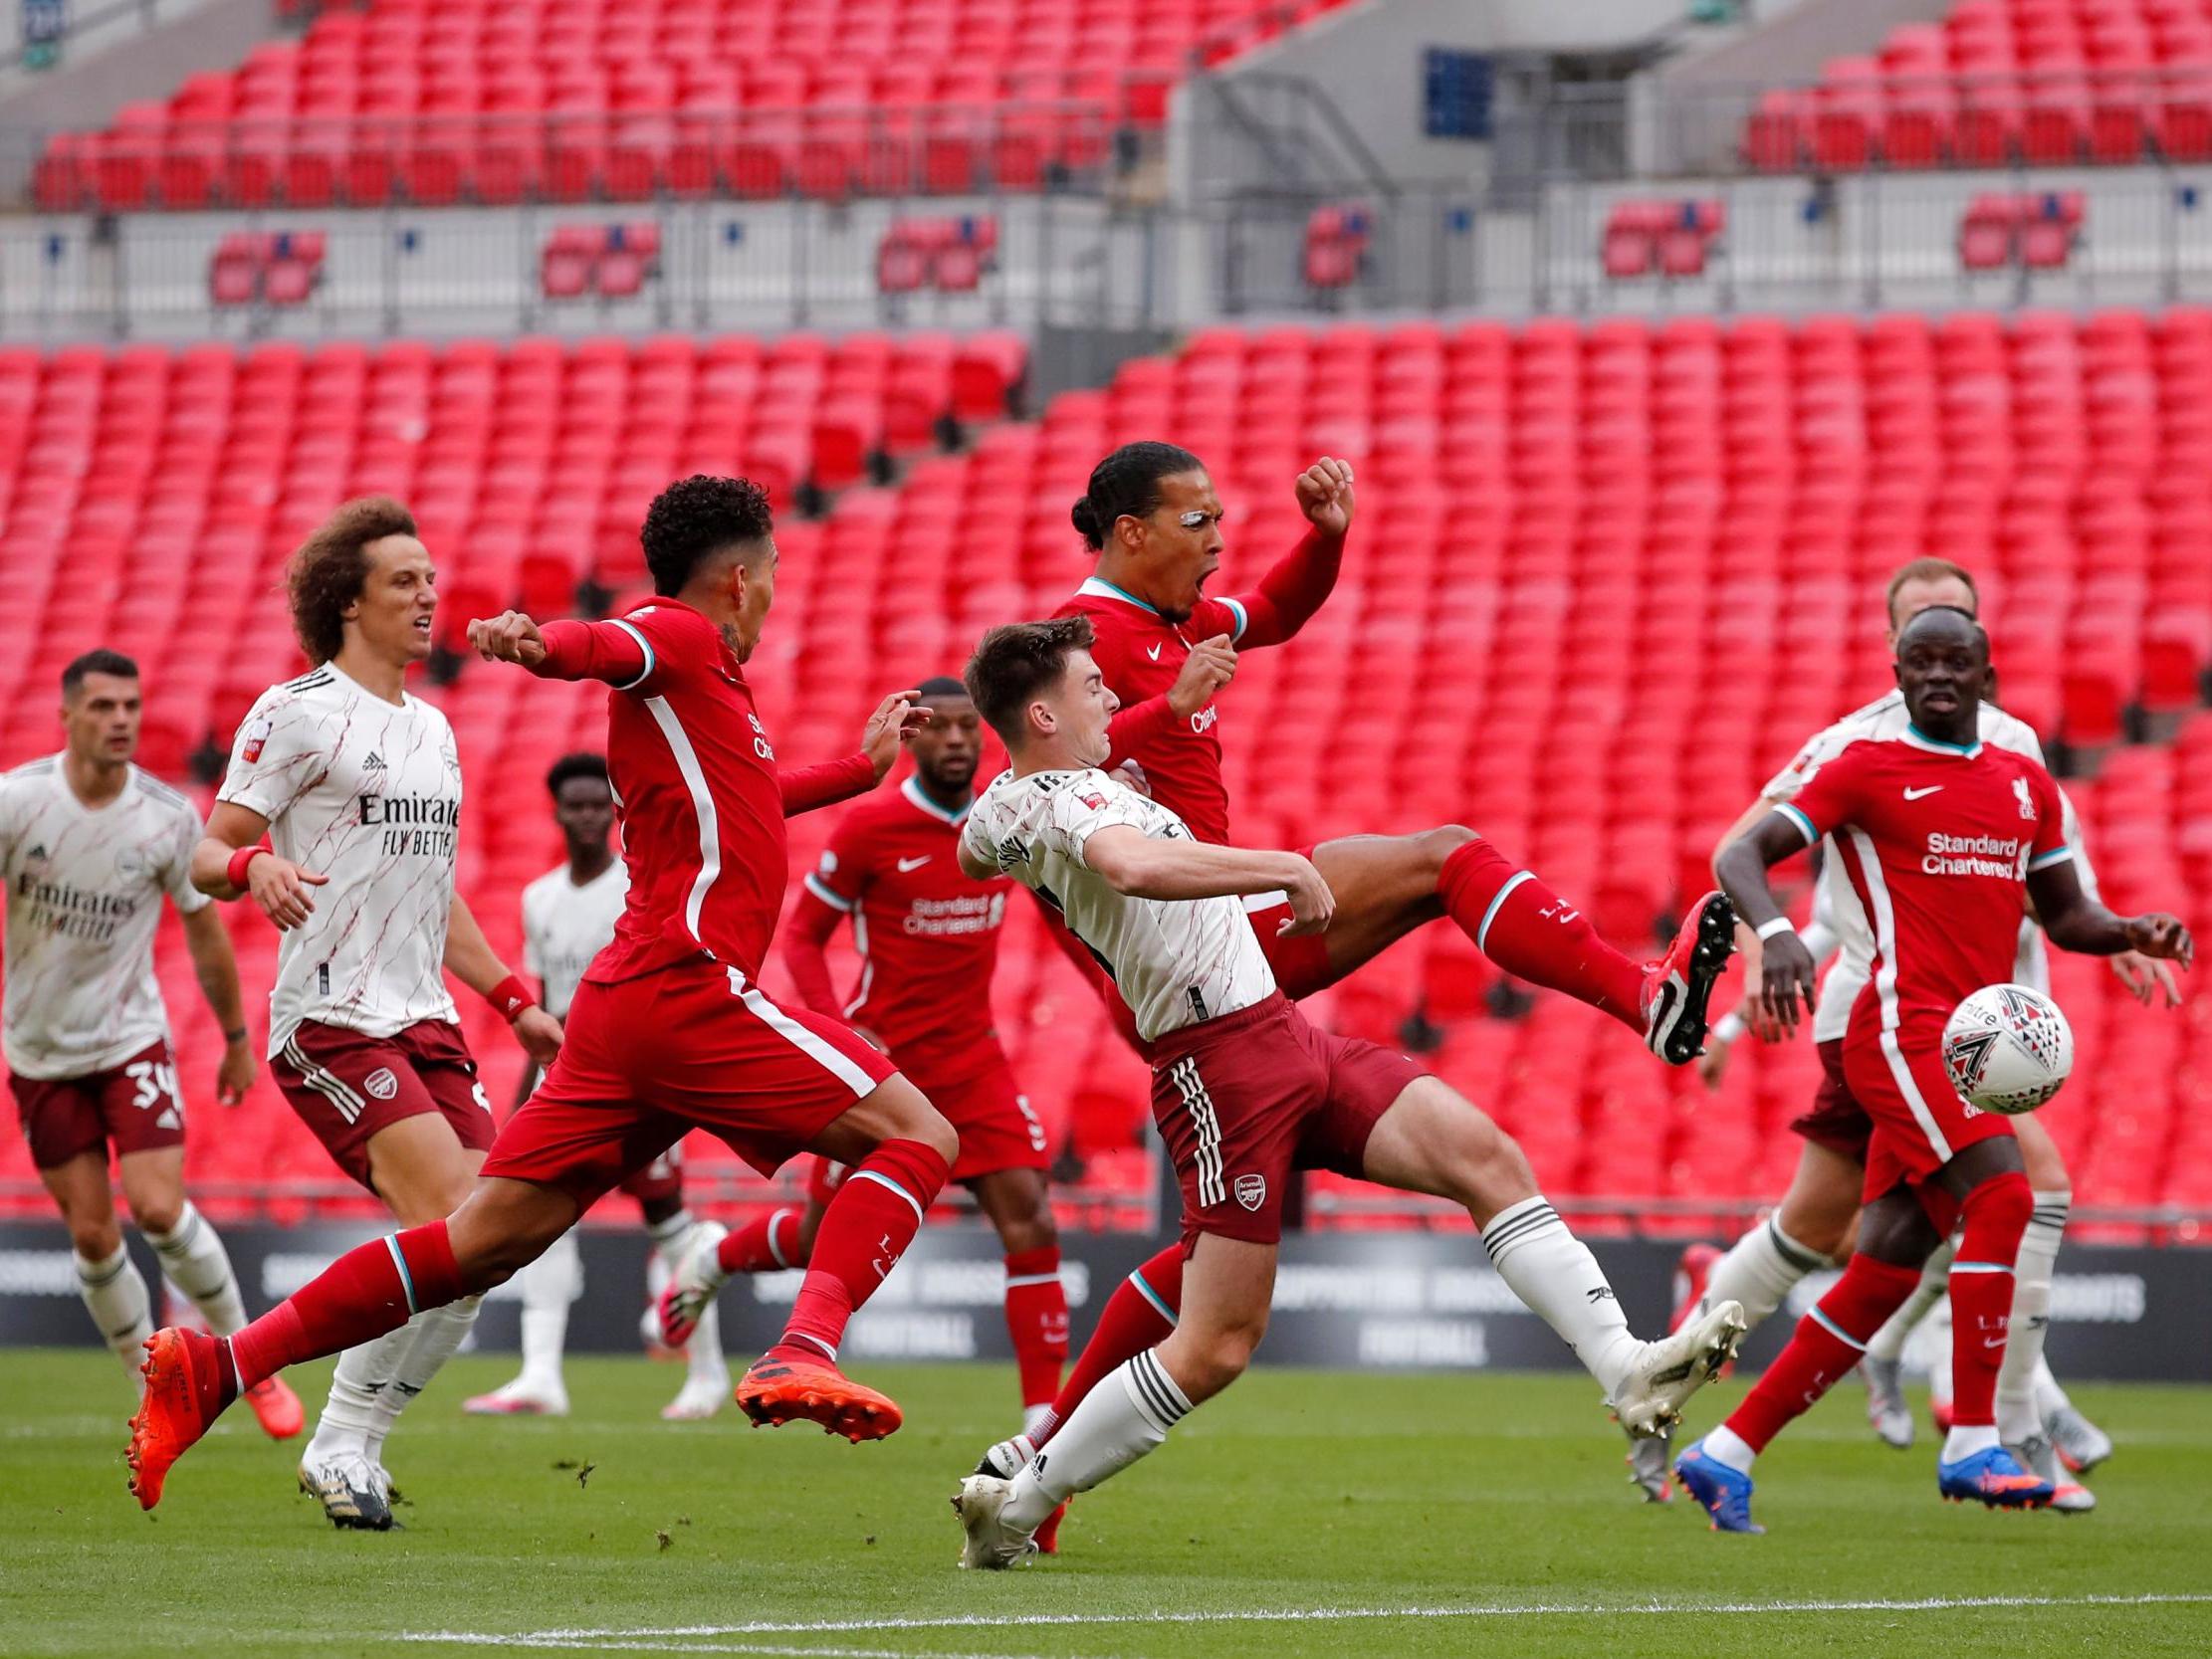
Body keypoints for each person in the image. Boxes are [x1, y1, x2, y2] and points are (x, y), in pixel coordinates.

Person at [127, 475, 957, 1515]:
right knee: (919, 1134)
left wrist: (858, 769)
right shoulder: (684, 639)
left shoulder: (685, 707)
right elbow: (616, 643)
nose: (778, 595)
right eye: (775, 575)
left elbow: (745, 796)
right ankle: (802, 1343)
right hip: (677, 986)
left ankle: (217, 1366)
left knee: (479, 1240)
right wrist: (541, 643)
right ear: (741, 577)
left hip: (609, 1010)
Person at [988, 443, 1740, 1489]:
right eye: (1196, 519)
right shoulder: (1087, 646)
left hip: (1238, 946)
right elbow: (1050, 801)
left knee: (1218, 1262)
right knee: (1441, 857)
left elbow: (1275, 611)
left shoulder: (1176, 623)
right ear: (1130, 534)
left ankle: (1032, 1464)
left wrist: (1325, 537)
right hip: (1198, 955)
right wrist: (1169, 717)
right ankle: (1643, 1002)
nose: (1217, 537)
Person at [1648, 559, 2162, 1508]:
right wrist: (1769, 944)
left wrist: (2129, 932)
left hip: (1972, 1036)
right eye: (1916, 655)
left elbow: (2064, 910)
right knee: (2010, 1193)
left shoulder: (2021, 776)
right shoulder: (1861, 760)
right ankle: (1981, 1435)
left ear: (1984, 667)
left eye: (1952, 655)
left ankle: (1726, 1449)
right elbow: (1741, 848)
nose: (1935, 672)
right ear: (1893, 663)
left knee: (1877, 1259)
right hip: (1894, 1025)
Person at [183, 498, 563, 1530]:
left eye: (430, 578)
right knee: (453, 1216)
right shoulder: (295, 708)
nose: (428, 595)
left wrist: (514, 999)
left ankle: (348, 1440)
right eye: (403, 580)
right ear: (347, 601)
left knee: (490, 1246)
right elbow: (207, 850)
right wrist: (254, 865)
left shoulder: (433, 727)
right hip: (332, 1015)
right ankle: (336, 1433)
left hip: (427, 1016)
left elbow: (430, 889)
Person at [661, 678, 1066, 1442]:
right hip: (891, 1070)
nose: (955, 740)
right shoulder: (871, 828)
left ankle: (1043, 1431)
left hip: (976, 1060)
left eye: (966, 728)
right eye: (938, 727)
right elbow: (805, 933)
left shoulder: (1005, 817)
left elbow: (1063, 911)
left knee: (1032, 1218)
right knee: (821, 1236)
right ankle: (717, 1257)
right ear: (910, 738)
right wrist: (841, 1023)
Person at [1, 650, 300, 1439]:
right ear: (67, 717)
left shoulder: (166, 817)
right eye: (102, 706)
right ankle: (159, 1387)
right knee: (95, 1235)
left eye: (130, 704)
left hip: (131, 1039)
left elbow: (204, 933)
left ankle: (248, 1362)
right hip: (39, 1052)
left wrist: (236, 1037)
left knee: (162, 1207)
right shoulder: (18, 803)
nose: (121, 719)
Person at [462, 751, 730, 1422]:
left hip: (640, 1080)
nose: (585, 815)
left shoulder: (636, 892)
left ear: (613, 812)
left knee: (668, 1223)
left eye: (595, 805)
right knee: (542, 1224)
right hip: (569, 1083)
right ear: (555, 810)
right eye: (573, 804)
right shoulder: (539, 899)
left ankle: (708, 1372)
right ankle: (540, 1375)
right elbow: (546, 1006)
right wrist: (526, 1097)